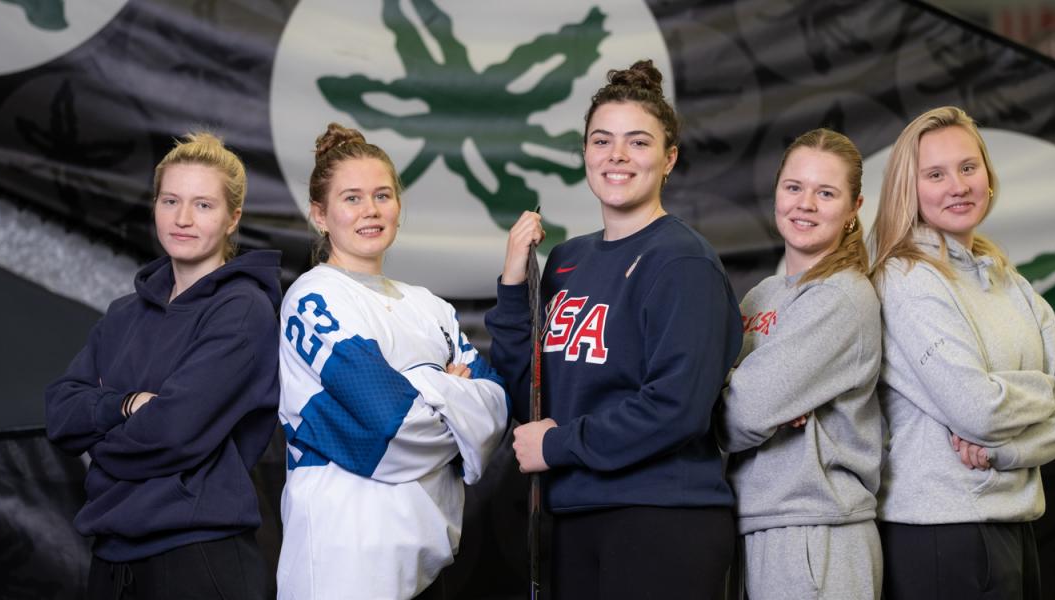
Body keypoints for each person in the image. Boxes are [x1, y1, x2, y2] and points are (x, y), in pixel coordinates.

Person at [485, 59, 742, 600]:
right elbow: (526, 400)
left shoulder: (682, 262)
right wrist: (514, 283)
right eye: (602, 141)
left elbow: (676, 408)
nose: (617, 156)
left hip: (662, 517)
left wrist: (559, 444)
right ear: (584, 154)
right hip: (575, 514)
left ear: (670, 158)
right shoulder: (568, 260)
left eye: (638, 142)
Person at [275, 123, 509, 600]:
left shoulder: (430, 307)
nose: (371, 211)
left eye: (383, 195)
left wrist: (414, 386)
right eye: (352, 198)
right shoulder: (313, 296)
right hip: (344, 558)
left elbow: (497, 408)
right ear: (320, 215)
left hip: (428, 561)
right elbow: (390, 424)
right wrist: (446, 388)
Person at [45, 132, 281, 599]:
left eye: (204, 205)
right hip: (110, 561)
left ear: (233, 217)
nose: (183, 219)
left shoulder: (243, 311)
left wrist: (102, 442)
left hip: (197, 558)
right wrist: (126, 406)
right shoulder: (123, 315)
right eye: (170, 200)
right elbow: (59, 413)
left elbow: (171, 431)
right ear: (154, 206)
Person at [871, 106, 1055, 599]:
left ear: (988, 177)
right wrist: (1042, 390)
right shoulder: (907, 280)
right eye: (935, 174)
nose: (958, 185)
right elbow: (977, 410)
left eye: (968, 168)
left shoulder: (1012, 283)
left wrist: (1003, 453)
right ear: (911, 188)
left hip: (1013, 523)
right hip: (940, 533)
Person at [719, 128, 883, 600]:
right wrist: (751, 395)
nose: (805, 203)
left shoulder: (843, 297)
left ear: (854, 208)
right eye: (794, 187)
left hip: (819, 530)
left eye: (826, 192)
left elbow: (742, 413)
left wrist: (746, 396)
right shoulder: (761, 296)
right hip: (757, 523)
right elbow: (733, 407)